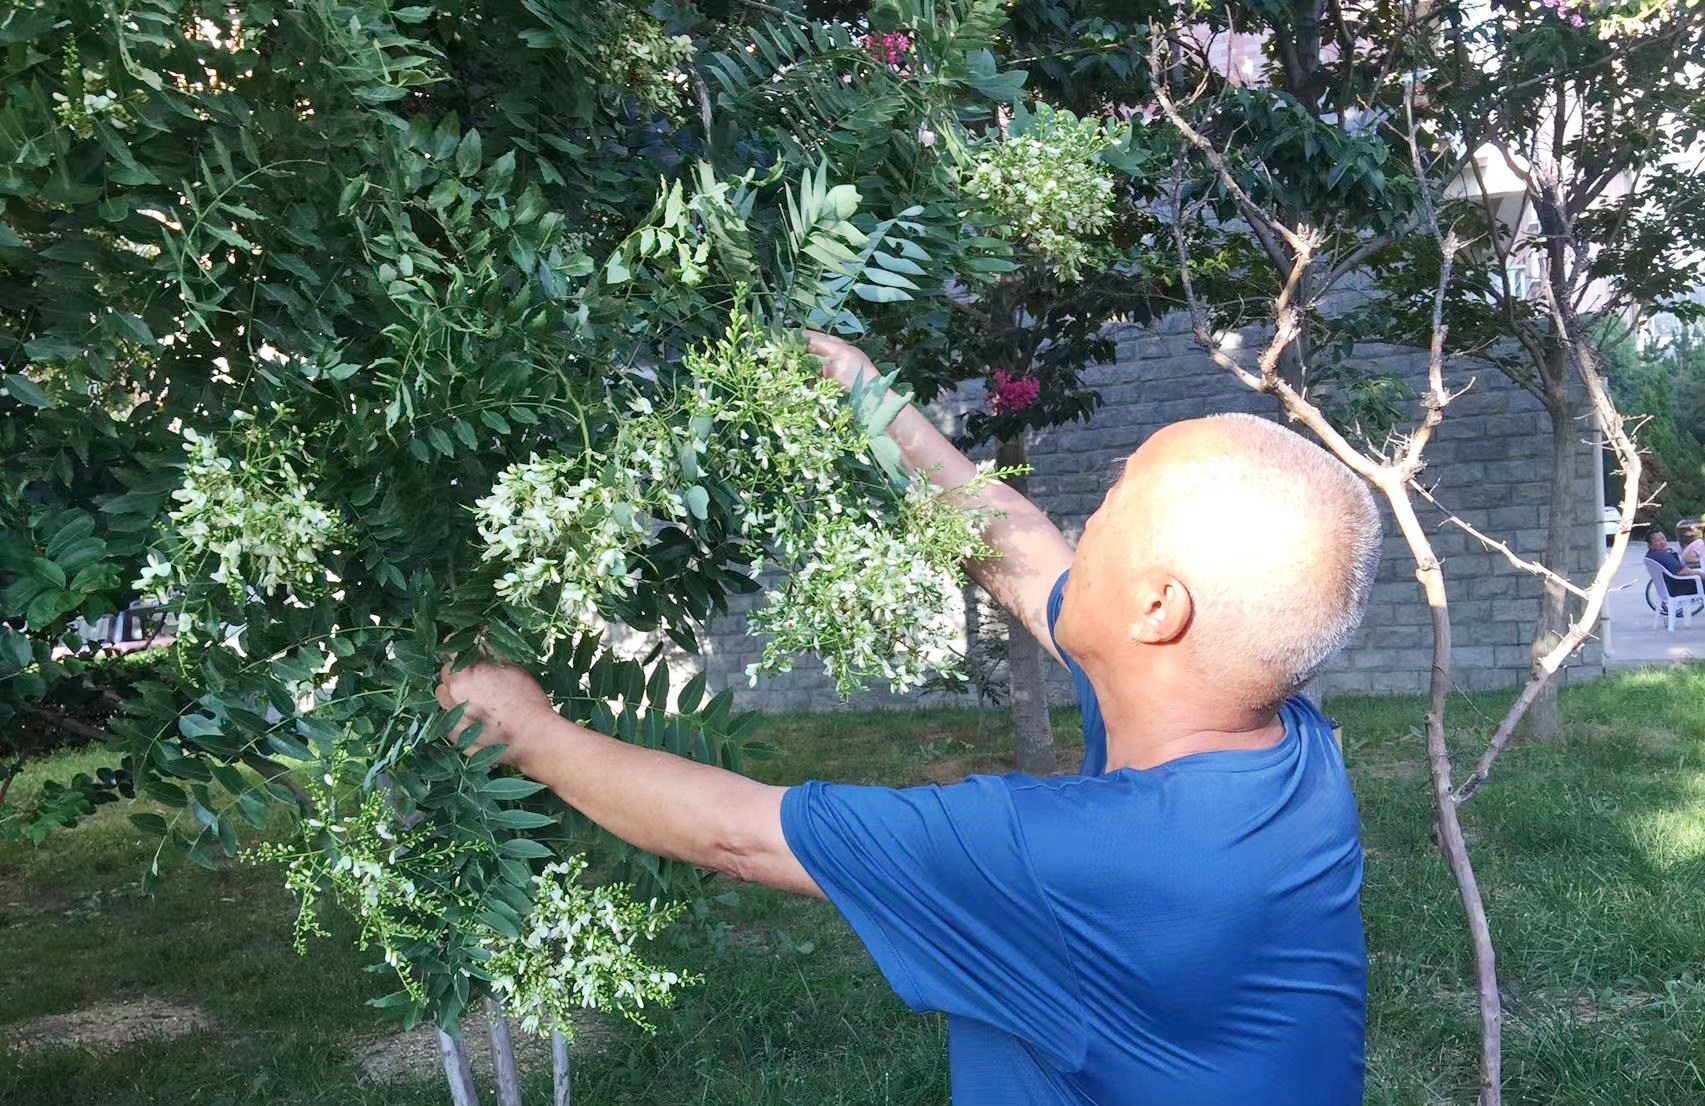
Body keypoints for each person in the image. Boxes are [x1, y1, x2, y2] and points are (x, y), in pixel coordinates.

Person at [436, 333, 1382, 1106]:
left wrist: (530, 733)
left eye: (1110, 504)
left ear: (1155, 611)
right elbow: (1020, 558)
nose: (1084, 519)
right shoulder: (1283, 749)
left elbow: (738, 837)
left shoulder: (1068, 862)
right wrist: (871, 406)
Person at [1645, 530, 1704, 594]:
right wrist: (1701, 574)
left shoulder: (1651, 555)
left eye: (1663, 539)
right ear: (1649, 545)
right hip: (1680, 588)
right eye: (1657, 540)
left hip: (1669, 587)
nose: (1662, 542)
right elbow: (1682, 571)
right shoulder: (1663, 556)